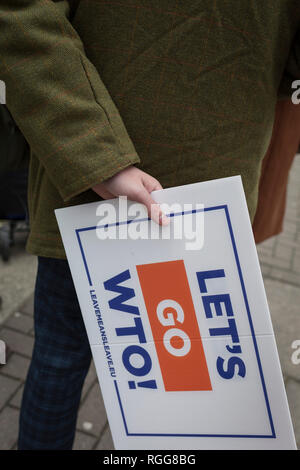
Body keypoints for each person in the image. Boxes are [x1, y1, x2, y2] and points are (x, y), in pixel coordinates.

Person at [0, 1, 299, 450]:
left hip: (185, 193)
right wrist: (96, 155)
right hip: (114, 190)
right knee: (111, 367)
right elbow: (22, 14)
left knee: (167, 381)